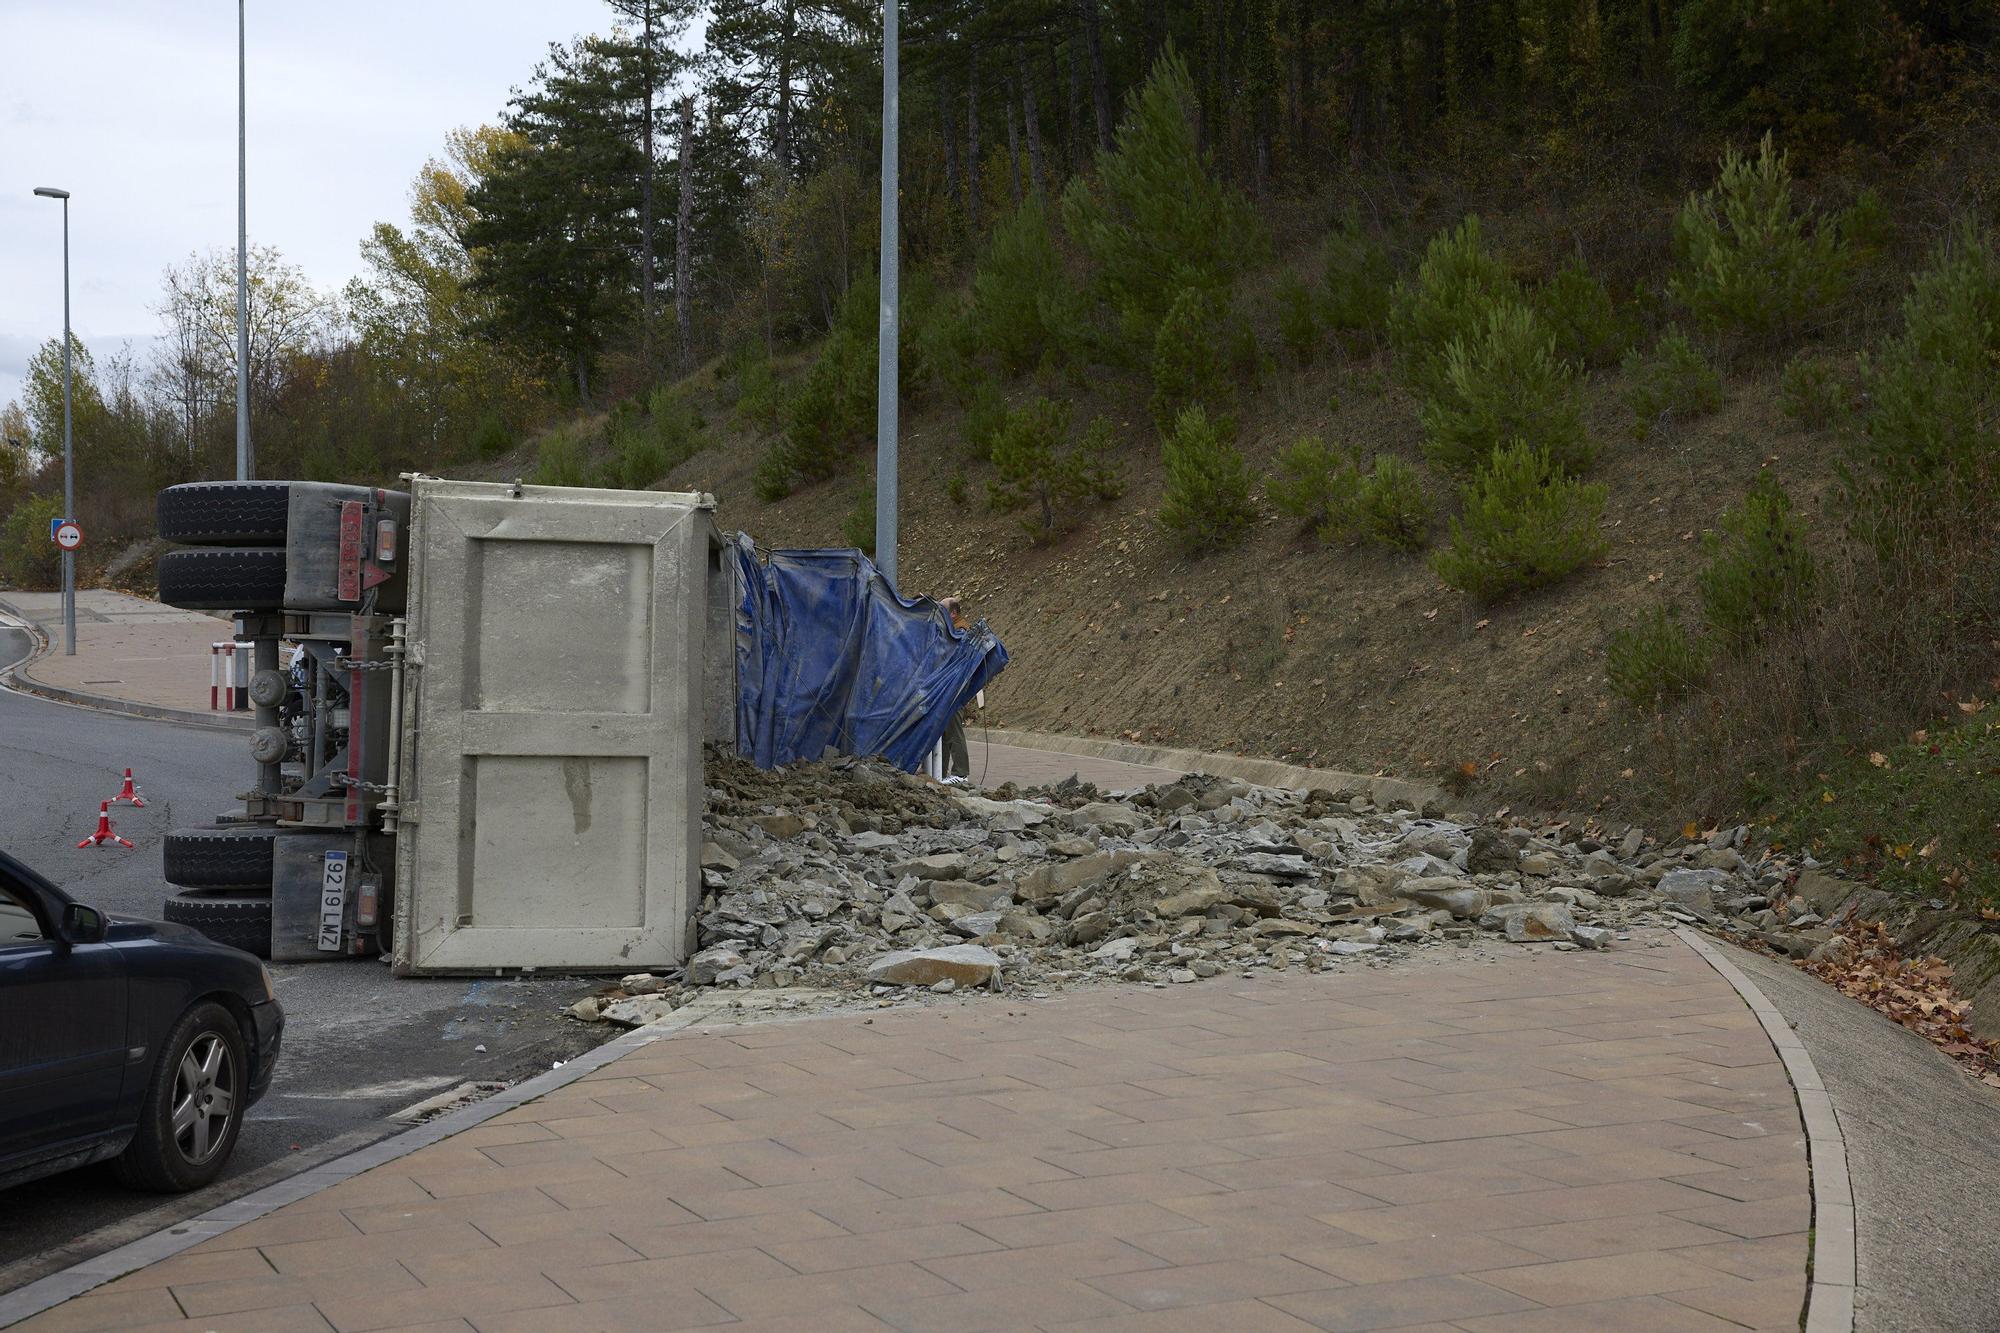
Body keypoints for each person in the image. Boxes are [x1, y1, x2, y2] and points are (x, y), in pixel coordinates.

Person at [938, 597, 972, 782]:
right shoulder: (953, 629)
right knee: (943, 730)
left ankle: (960, 773)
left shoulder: (960, 631)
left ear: (953, 613)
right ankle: (940, 773)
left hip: (954, 688)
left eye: (943, 610)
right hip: (949, 687)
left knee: (954, 730)